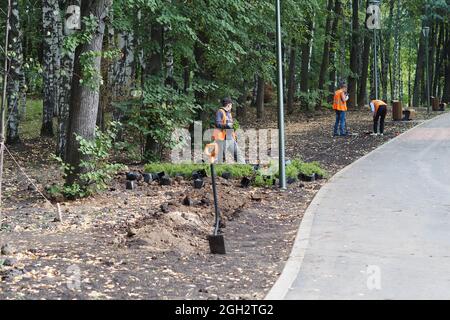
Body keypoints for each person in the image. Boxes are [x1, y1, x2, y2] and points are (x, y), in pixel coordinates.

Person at [212, 97, 245, 163]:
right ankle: (215, 170)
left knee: (238, 155)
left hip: (231, 138)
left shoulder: (229, 113)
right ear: (228, 105)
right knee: (220, 159)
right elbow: (217, 124)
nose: (231, 106)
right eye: (231, 105)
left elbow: (230, 125)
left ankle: (246, 169)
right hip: (222, 139)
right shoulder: (220, 112)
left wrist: (233, 127)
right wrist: (227, 125)